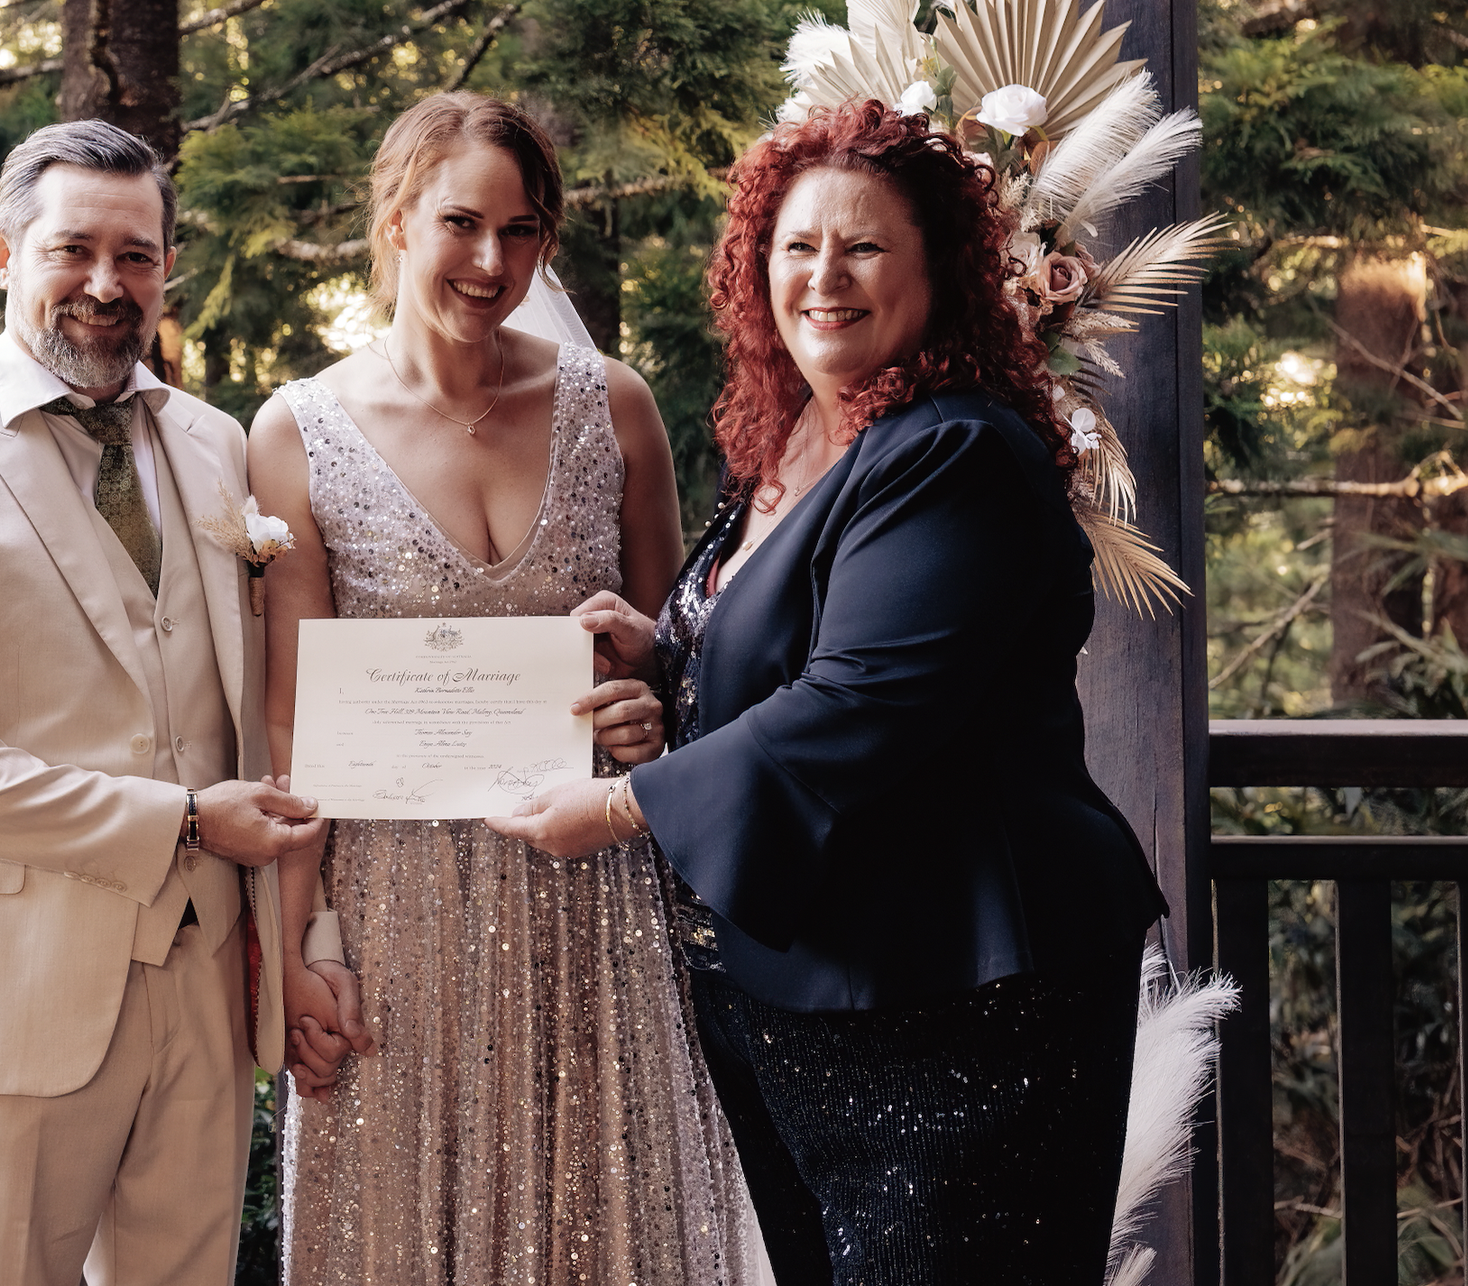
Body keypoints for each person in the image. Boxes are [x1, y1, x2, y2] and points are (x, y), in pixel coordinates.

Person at [489, 99, 1170, 1284]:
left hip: (953, 995)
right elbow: (793, 646)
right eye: (796, 245)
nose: (824, 276)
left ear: (937, 268)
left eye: (863, 246)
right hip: (799, 989)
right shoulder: (800, 436)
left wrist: (618, 808)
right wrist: (662, 650)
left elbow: (858, 702)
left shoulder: (956, 448)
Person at [250, 92, 760, 1284]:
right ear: (395, 221)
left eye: (522, 230)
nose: (492, 261)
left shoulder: (613, 405)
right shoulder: (295, 432)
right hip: (394, 917)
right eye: (461, 223)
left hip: (596, 901)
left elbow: (679, 659)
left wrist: (650, 707)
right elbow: (289, 719)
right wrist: (299, 947)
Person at [0, 120, 327, 1286]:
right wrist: (183, 822)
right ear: (4, 254)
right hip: (11, 997)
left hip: (208, 983)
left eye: (136, 255)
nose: (106, 284)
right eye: (73, 250)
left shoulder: (216, 445)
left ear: (167, 268)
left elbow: (273, 683)